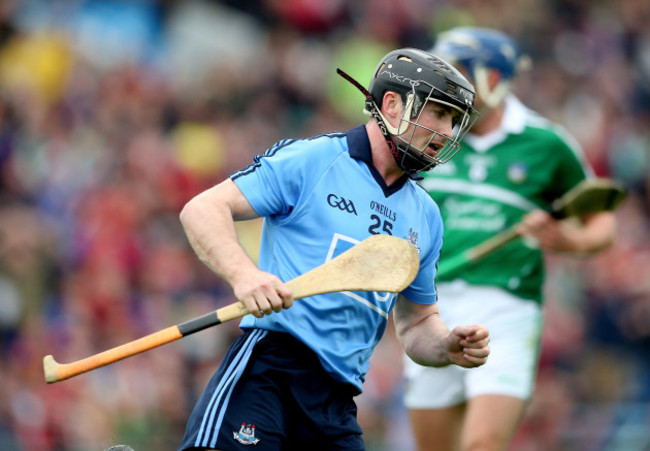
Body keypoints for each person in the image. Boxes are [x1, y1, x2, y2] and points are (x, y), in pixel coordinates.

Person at [177, 48, 490, 450]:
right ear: (392, 105)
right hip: (270, 371)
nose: (447, 133)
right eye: (440, 114)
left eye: (453, 121)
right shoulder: (315, 160)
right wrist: (245, 275)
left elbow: (416, 324)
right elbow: (202, 208)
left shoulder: (426, 216)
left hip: (336, 402)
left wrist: (446, 346)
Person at [403, 28, 617, 451]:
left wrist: (565, 240)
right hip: (430, 308)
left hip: (506, 304)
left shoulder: (546, 143)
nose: (443, 84)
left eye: (458, 72)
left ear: (494, 79)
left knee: (481, 445)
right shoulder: (428, 137)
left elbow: (601, 223)